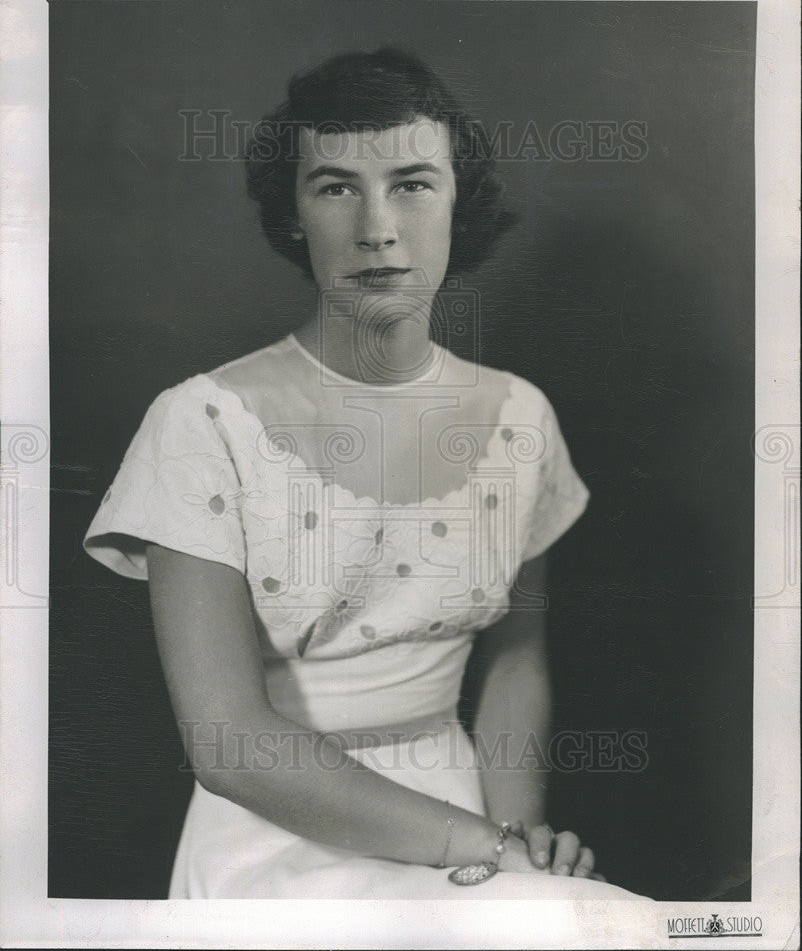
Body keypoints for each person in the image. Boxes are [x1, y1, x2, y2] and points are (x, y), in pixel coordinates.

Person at [83, 47, 645, 901]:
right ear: (293, 213)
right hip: (276, 838)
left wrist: (520, 834)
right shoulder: (199, 421)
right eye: (336, 186)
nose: (377, 226)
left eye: (414, 183)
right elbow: (230, 745)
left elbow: (513, 663)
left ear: (462, 201)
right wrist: (487, 846)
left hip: (465, 808)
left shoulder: (518, 415)